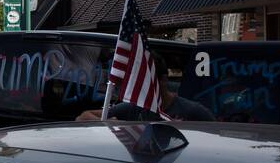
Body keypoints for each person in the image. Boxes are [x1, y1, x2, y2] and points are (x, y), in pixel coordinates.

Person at [76, 51, 216, 122]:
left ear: (163, 80)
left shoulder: (192, 111)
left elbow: (215, 137)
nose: (144, 88)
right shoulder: (134, 108)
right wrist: (108, 122)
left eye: (148, 82)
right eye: (140, 83)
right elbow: (82, 117)